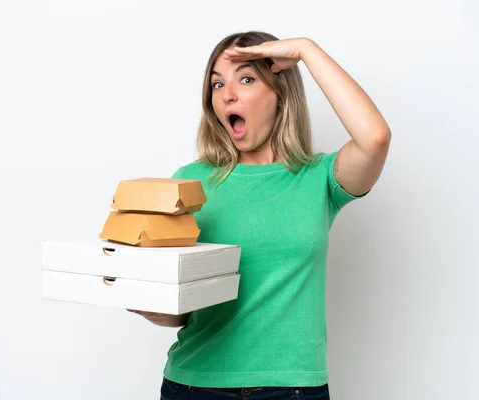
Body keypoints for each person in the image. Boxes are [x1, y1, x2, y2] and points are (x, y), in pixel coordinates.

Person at [129, 31, 391, 400]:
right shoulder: (189, 181)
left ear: (280, 95)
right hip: (194, 385)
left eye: (246, 79)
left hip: (293, 390)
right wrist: (153, 305)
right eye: (217, 84)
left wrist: (306, 50)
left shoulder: (319, 177)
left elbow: (375, 138)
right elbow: (184, 309)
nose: (227, 94)